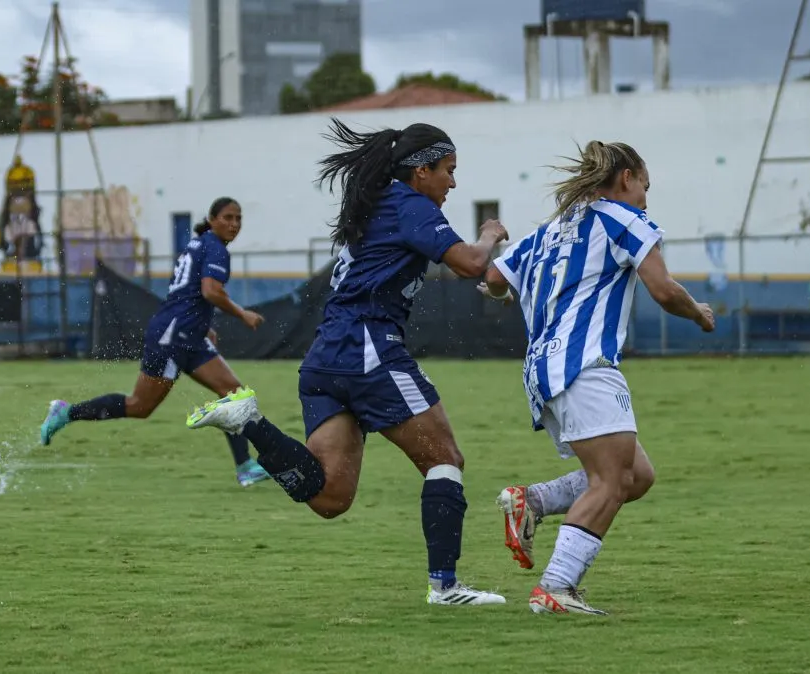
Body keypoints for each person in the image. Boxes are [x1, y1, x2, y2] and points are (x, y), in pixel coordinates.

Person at [186, 118, 509, 606]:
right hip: (368, 348)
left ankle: (249, 421)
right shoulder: (409, 203)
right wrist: (490, 235)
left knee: (330, 498)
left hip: (325, 359)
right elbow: (468, 262)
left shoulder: (378, 205)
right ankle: (445, 587)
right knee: (445, 459)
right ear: (421, 171)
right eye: (448, 169)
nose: (453, 182)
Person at [478, 140, 715, 615]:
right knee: (611, 481)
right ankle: (556, 588)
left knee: (636, 475)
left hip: (542, 370)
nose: (647, 197)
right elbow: (664, 291)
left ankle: (533, 501)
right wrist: (698, 313)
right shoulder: (624, 219)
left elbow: (495, 280)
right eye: (645, 185)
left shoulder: (548, 230)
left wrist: (510, 288)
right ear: (626, 178)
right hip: (585, 364)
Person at [39, 197, 272, 488]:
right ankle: (66, 412)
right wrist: (243, 315)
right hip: (172, 338)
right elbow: (210, 291)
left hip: (190, 335)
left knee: (235, 394)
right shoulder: (215, 249)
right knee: (140, 406)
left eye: (238, 218)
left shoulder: (200, 244)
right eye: (228, 217)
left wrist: (204, 325)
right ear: (212, 219)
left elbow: (186, 292)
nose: (234, 224)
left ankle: (245, 466)